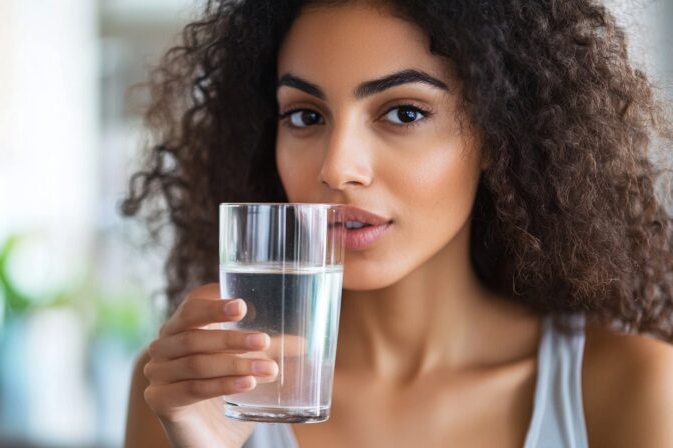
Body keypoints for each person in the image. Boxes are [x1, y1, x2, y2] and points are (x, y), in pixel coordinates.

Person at [122, 1, 673, 447]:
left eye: (404, 112)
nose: (338, 167)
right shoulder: (190, 391)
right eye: (305, 116)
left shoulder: (632, 389)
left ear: (499, 133)